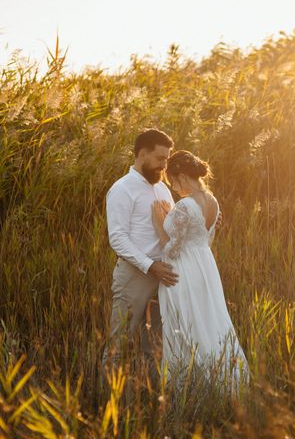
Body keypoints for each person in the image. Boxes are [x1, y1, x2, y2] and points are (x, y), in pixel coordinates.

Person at [151, 150, 249, 394]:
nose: (173, 188)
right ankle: (224, 380)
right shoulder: (213, 201)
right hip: (204, 266)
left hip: (183, 268)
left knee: (185, 323)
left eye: (172, 182)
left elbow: (171, 249)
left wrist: (158, 222)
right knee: (208, 320)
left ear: (181, 176)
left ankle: (189, 388)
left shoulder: (185, 205)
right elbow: (205, 240)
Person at [103, 128, 180, 376]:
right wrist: (149, 265)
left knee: (156, 347)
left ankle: (153, 401)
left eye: (167, 160)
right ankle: (110, 406)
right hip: (135, 275)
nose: (164, 165)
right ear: (142, 154)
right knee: (119, 345)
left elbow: (175, 227)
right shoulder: (122, 189)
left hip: (164, 276)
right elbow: (117, 238)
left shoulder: (163, 189)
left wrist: (209, 223)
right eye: (160, 159)